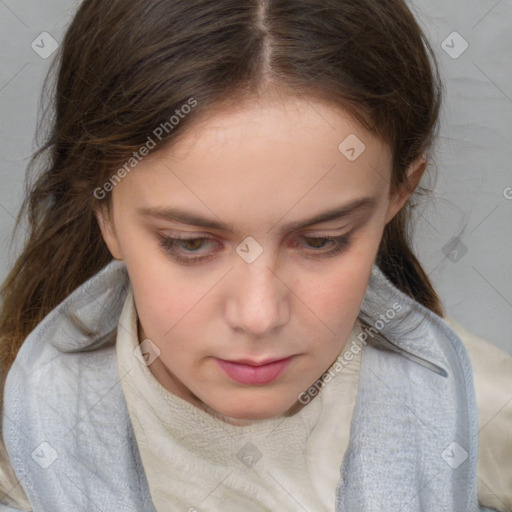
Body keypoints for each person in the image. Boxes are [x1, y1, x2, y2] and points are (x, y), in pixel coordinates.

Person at [0, 0, 511, 510]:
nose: (259, 315)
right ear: (103, 209)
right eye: (191, 243)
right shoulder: (19, 441)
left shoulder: (476, 411)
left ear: (396, 197)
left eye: (321, 240)